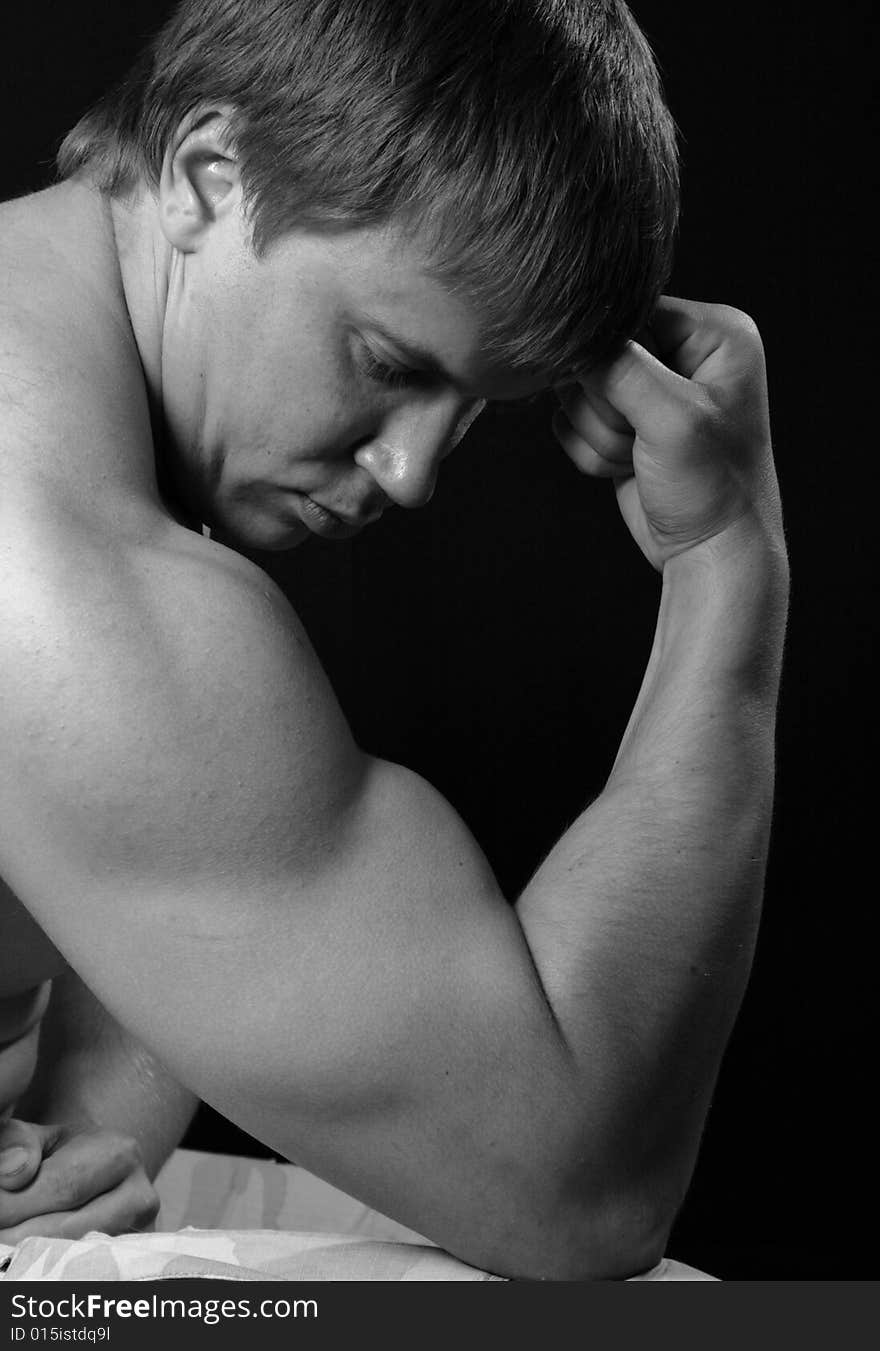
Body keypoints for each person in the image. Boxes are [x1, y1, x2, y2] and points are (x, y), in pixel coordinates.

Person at [0, 0, 788, 1280]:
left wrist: (75, 1140)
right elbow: (578, 1193)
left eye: (469, 410)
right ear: (210, 176)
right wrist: (726, 564)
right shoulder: (60, 564)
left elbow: (139, 904)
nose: (412, 472)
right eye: (385, 362)